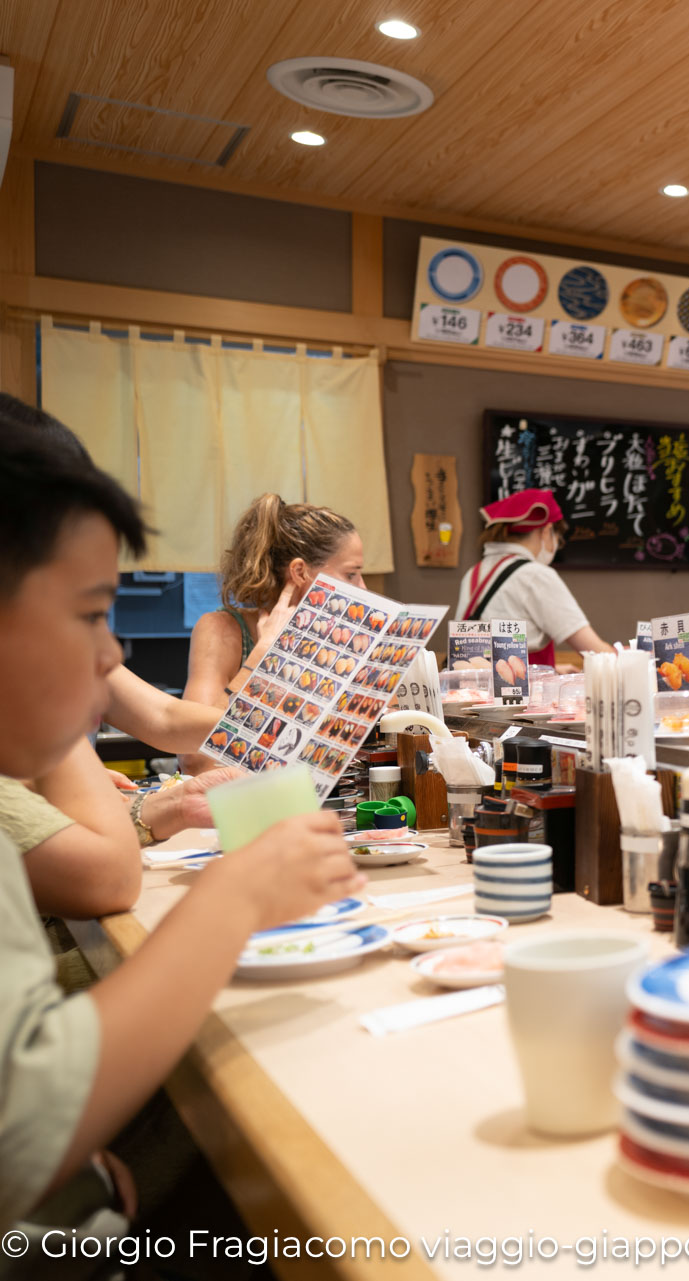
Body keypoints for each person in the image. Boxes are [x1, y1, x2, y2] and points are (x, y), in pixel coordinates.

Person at [0, 410, 361, 1230]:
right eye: (92, 613)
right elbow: (24, 1128)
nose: (113, 654)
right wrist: (236, 895)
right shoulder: (222, 626)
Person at [182, 495, 365, 771]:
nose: (362, 589)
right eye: (351, 574)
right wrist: (263, 656)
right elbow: (194, 760)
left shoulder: (339, 641)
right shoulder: (221, 630)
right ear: (300, 572)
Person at [454, 488, 615, 668]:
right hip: (518, 694)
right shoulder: (535, 575)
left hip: (469, 691)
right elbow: (595, 653)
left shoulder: (474, 572)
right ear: (546, 531)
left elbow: (486, 663)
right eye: (558, 538)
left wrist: (550, 672)